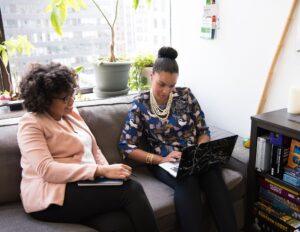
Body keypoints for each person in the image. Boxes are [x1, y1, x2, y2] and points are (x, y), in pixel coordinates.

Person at [17, 62, 159, 232]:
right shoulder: (31, 124)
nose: (71, 99)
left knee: (119, 224)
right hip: (51, 196)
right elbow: (46, 170)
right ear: (44, 99)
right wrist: (100, 171)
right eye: (64, 98)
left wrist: (110, 175)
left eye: (72, 93)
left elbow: (94, 148)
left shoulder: (70, 113)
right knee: (132, 189)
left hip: (83, 185)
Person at [119, 47, 238, 232]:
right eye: (162, 84)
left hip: (194, 155)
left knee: (213, 174)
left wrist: (200, 151)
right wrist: (161, 159)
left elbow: (203, 130)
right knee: (187, 180)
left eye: (172, 85)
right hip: (165, 161)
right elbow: (126, 146)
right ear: (152, 75)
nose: (167, 91)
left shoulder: (186, 96)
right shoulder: (140, 104)